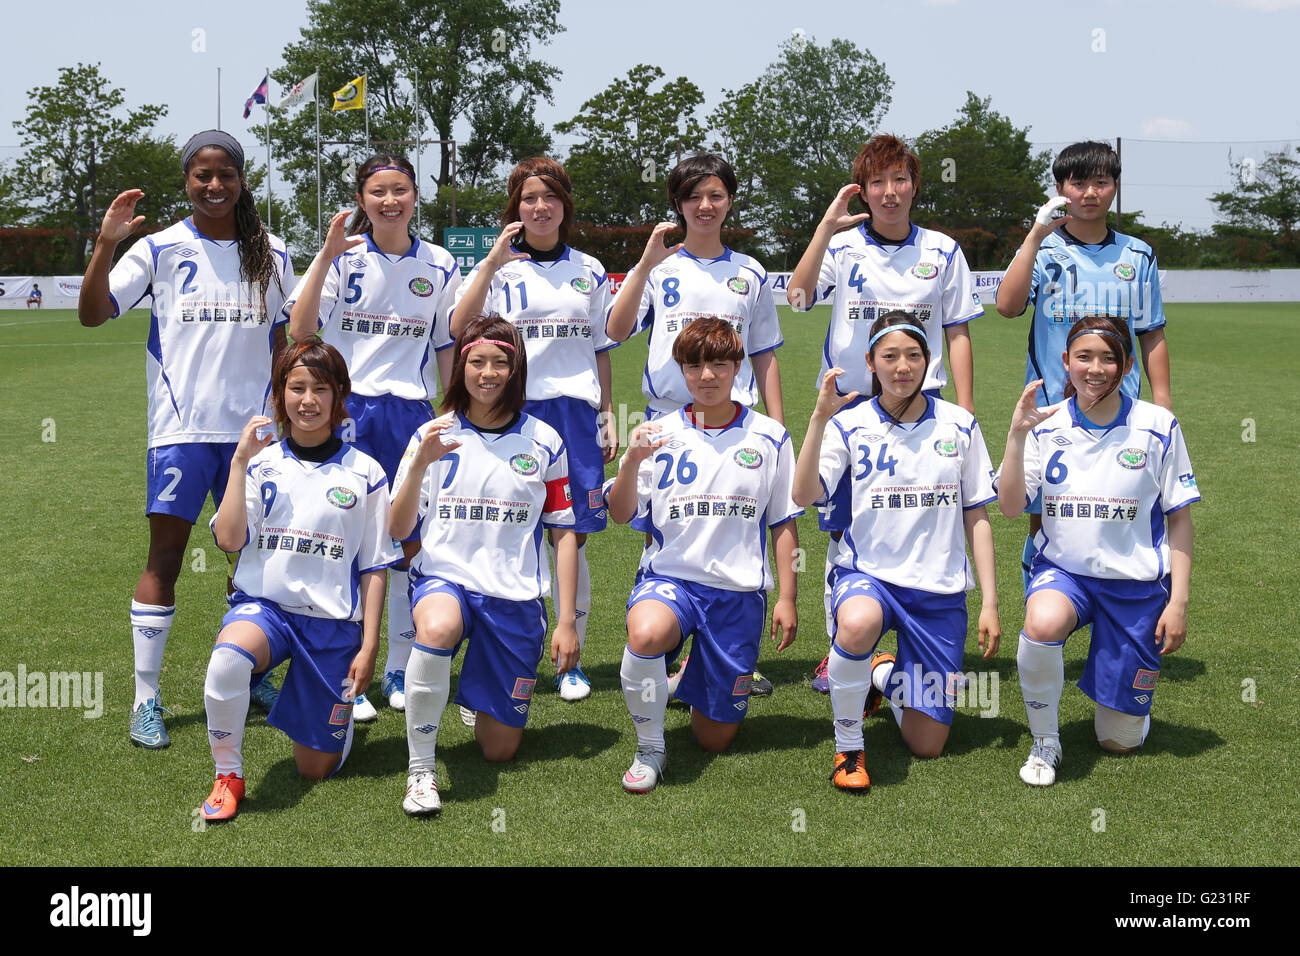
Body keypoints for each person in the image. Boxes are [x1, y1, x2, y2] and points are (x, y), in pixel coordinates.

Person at [78, 130, 294, 748]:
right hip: (181, 432)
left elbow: (288, 336)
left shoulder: (271, 253)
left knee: (253, 559)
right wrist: (106, 244)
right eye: (203, 175)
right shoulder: (160, 248)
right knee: (165, 559)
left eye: (226, 174)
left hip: (253, 436)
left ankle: (251, 675)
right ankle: (147, 698)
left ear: (241, 180)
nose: (215, 185)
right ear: (188, 181)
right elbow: (93, 313)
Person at [786, 133, 983, 693]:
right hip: (848, 406)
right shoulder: (844, 246)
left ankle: (914, 650)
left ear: (915, 186)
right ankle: (841, 648)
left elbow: (958, 331)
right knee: (844, 522)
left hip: (927, 403)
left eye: (900, 181)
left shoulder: (943, 250)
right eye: (878, 182)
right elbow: (799, 301)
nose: (889, 192)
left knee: (924, 518)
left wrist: (964, 413)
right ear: (863, 190)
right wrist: (824, 231)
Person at [792, 312, 1000, 793]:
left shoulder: (960, 424)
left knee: (927, 743)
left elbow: (977, 515)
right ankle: (849, 747)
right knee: (858, 622)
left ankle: (880, 672)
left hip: (938, 589)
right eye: (890, 356)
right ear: (870, 362)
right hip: (869, 575)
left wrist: (989, 601)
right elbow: (803, 495)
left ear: (929, 361)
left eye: (913, 355)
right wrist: (819, 416)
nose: (902, 366)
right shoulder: (849, 423)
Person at [287, 153, 462, 722]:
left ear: (415, 196)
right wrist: (325, 255)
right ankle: (349, 673)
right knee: (349, 543)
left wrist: (451, 407)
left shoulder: (439, 262)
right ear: (362, 199)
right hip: (348, 409)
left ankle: (399, 667)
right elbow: (301, 329)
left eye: (401, 190)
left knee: (409, 543)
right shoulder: (344, 259)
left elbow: (445, 344)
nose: (390, 200)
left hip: (410, 412)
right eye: (378, 191)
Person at [606, 153, 786, 696]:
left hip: (739, 423)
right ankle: (659, 650)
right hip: (667, 419)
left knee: (737, 529)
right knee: (666, 533)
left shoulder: (750, 271)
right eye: (692, 197)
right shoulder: (660, 269)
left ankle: (730, 656)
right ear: (677, 204)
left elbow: (764, 352)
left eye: (715, 195)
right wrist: (642, 265)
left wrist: (777, 425)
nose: (704, 206)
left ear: (730, 200)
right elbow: (614, 331)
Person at [390, 315, 579, 817]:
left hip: (513, 595)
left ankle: (475, 694)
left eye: (501, 362)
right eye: (477, 361)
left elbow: (563, 532)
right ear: (461, 367)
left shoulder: (544, 439)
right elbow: (397, 526)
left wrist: (565, 620)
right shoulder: (434, 432)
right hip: (444, 579)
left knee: (498, 750)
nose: (488, 372)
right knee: (438, 626)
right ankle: (421, 770)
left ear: (516, 369)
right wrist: (418, 465)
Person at [199, 341, 396, 820]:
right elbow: (228, 540)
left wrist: (370, 646)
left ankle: (338, 718)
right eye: (297, 388)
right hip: (267, 609)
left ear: (339, 397)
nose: (308, 400)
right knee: (227, 660)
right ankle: (228, 774)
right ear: (279, 395)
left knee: (315, 769)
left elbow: (373, 567)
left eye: (320, 389)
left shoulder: (366, 473)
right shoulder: (261, 463)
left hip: (331, 625)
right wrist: (239, 462)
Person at [996, 316, 1197, 787]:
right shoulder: (1044, 426)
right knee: (1042, 622)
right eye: (1084, 357)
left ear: (1128, 364)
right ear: (1066, 363)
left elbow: (1180, 517)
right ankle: (1045, 741)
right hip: (1066, 573)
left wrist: (1179, 601)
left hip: (1136, 584)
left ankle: (1126, 705)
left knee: (1118, 742)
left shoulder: (1158, 425)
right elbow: (1008, 508)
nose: (1096, 368)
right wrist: (1015, 434)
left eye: (1109, 358)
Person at [606, 318, 799, 794]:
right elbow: (619, 513)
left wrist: (788, 597)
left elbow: (783, 523)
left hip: (736, 594)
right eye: (694, 366)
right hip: (671, 579)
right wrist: (630, 462)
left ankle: (686, 679)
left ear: (737, 367)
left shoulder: (770, 436)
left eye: (718, 364)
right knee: (648, 632)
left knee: (714, 739)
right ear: (681, 371)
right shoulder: (658, 434)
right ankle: (650, 748)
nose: (706, 376)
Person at [450, 157, 618, 703]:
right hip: (513, 415)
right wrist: (493, 260)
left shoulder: (590, 269)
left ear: (565, 204)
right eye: (528, 198)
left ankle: (572, 657)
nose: (539, 207)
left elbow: (600, 347)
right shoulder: (500, 270)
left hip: (574, 414)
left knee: (570, 536)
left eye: (549, 197)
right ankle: (511, 646)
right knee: (509, 530)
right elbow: (458, 329)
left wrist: (607, 412)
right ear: (514, 208)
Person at [995, 141, 1171, 590]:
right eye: (1078, 182)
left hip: (1121, 411)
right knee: (1044, 518)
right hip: (1052, 410)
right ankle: (1043, 606)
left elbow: (1151, 333)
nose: (1090, 192)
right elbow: (1006, 306)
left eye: (1101, 181)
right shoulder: (1045, 249)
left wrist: (1164, 406)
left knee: (1116, 509)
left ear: (1115, 188)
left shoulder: (1139, 255)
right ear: (1060, 189)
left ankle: (1112, 607)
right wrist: (1035, 235)